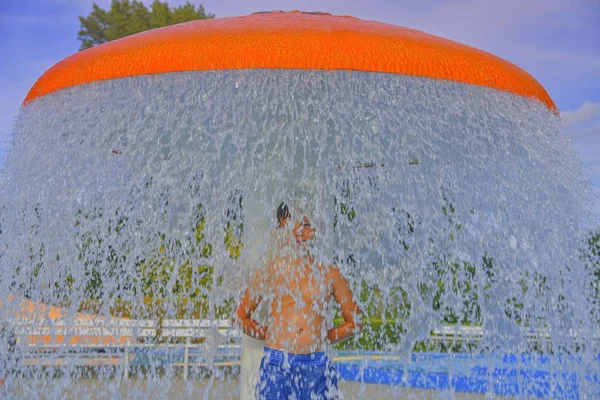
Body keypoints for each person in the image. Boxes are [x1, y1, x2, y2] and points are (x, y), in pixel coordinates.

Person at [233, 201, 363, 400]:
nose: (298, 231)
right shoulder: (269, 270)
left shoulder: (330, 274)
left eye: (305, 225)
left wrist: (323, 337)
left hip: (318, 365)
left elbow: (355, 322)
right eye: (290, 224)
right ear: (280, 228)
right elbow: (239, 316)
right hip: (278, 363)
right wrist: (268, 333)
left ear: (316, 229)